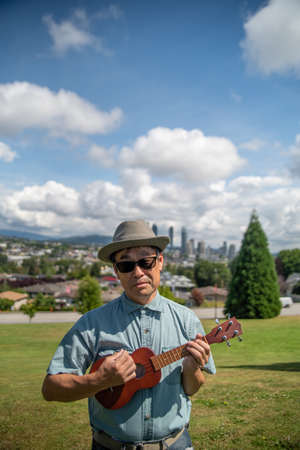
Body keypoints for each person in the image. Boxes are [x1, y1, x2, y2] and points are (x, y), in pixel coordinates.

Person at [42, 220, 216, 449]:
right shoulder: (92, 323)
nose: (138, 272)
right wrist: (97, 381)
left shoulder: (187, 320)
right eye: (126, 265)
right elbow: (51, 388)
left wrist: (192, 368)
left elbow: (192, 388)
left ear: (160, 261)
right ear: (116, 271)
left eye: (146, 262)